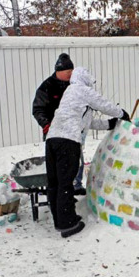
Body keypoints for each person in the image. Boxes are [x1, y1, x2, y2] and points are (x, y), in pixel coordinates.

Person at [45, 67, 130, 238]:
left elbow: (87, 122)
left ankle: (59, 219)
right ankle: (67, 224)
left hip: (52, 140)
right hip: (67, 142)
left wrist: (109, 124)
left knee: (55, 182)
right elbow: (103, 104)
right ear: (85, 80)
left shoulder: (70, 94)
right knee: (65, 183)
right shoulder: (80, 89)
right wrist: (121, 113)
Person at [32, 53, 86, 195]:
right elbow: (37, 109)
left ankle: (76, 185)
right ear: (59, 71)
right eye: (68, 72)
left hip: (73, 131)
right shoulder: (47, 86)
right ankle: (61, 193)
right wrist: (46, 124)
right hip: (54, 132)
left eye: (72, 72)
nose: (70, 74)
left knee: (78, 160)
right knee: (59, 166)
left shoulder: (73, 86)